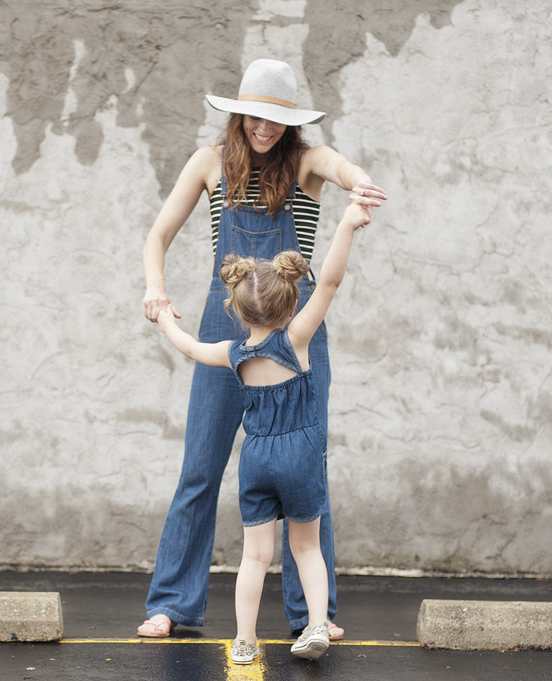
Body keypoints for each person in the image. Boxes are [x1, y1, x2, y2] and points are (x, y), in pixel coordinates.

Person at [138, 58, 387, 639]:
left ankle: (313, 614)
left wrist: (358, 182)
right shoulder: (207, 163)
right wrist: (155, 286)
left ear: (291, 122)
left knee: (308, 469)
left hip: (297, 333)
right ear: (239, 113)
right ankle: (172, 602)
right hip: (225, 325)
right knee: (200, 465)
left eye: (277, 119)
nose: (265, 128)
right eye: (256, 116)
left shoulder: (304, 162)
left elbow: (339, 165)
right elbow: (158, 234)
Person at [155, 195, 372, 663]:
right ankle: (315, 623)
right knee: (306, 547)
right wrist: (348, 225)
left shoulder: (234, 353)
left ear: (234, 308)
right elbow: (330, 280)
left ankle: (244, 640)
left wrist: (164, 320)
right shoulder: (297, 340)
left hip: (256, 459)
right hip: (299, 454)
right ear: (293, 301)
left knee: (254, 557)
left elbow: (191, 348)